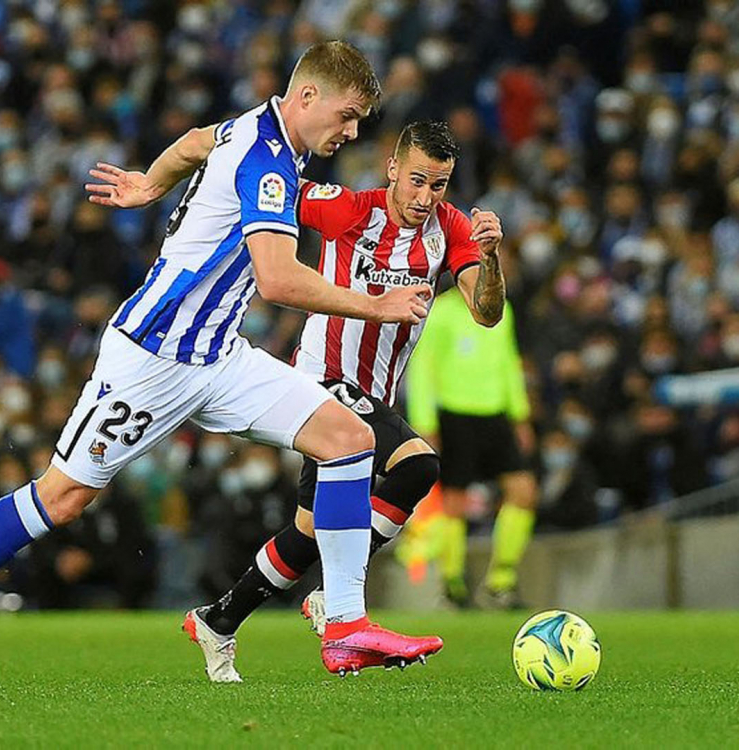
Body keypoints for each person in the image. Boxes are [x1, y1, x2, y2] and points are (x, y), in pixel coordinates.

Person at [0, 41, 441, 698]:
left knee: (350, 439)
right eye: (347, 115)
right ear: (307, 97)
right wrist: (377, 304)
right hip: (151, 358)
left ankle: (344, 625)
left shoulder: (254, 125)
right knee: (63, 497)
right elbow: (279, 280)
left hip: (219, 355)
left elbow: (198, 140)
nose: (353, 131)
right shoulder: (269, 164)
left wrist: (151, 181)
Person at [145, 119, 506, 681]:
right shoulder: (348, 208)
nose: (424, 197)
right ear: (392, 168)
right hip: (323, 378)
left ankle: (218, 620)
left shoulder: (452, 228)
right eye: (415, 181)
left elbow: (486, 313)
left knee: (309, 532)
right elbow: (270, 186)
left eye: (438, 185)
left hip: (374, 394)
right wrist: (174, 182)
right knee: (419, 466)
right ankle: (340, 600)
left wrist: (489, 259)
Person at [406, 281, 537, 610]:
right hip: (455, 413)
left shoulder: (501, 309)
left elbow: (509, 362)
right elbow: (422, 367)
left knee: (523, 492)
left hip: (496, 413)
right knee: (454, 500)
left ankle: (500, 580)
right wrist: (425, 422)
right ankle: (452, 583)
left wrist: (519, 414)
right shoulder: (442, 312)